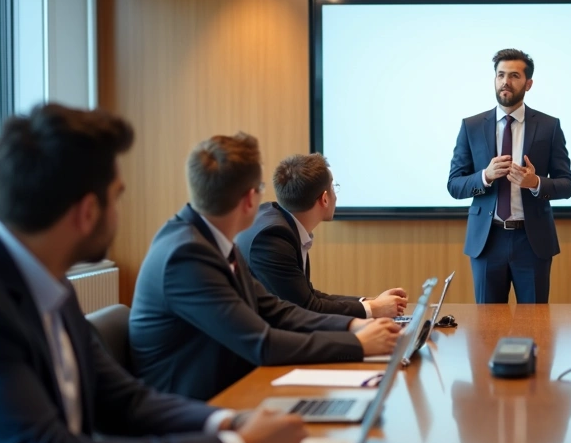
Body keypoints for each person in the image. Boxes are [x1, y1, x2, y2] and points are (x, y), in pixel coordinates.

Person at [0, 106, 307, 443]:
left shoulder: (44, 281)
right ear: (87, 213)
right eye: (118, 196)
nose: (119, 210)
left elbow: (125, 400)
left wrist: (232, 422)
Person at [130, 133, 400, 401]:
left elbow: (276, 310)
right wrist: (358, 344)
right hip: (194, 409)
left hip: (229, 388)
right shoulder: (186, 256)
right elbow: (261, 342)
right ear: (249, 199)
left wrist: (353, 326)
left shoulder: (211, 240)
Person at [447, 48, 571, 304]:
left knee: (536, 325)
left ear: (528, 84)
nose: (505, 81)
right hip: (487, 240)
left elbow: (567, 184)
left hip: (532, 240)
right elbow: (454, 185)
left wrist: (535, 183)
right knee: (486, 328)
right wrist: (485, 176)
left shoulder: (549, 126)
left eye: (514, 75)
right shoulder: (471, 126)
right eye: (500, 75)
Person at [236, 153, 408, 318]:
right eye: (333, 187)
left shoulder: (280, 223)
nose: (335, 195)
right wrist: (373, 309)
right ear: (324, 199)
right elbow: (306, 308)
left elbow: (308, 296)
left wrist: (370, 302)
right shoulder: (273, 238)